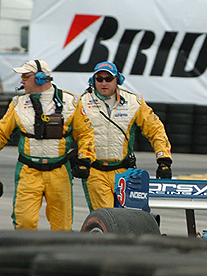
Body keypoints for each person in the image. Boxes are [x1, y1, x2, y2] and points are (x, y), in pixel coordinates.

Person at [0, 59, 96, 231]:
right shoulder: (17, 104)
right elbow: (1, 134)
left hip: (59, 172)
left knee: (62, 227)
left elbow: (85, 133)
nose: (21, 81)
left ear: (40, 78)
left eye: (25, 76)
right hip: (28, 172)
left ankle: (58, 257)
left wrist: (85, 158)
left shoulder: (71, 103)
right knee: (24, 222)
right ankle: (26, 258)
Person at [79, 61, 172, 212]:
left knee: (129, 218)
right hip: (95, 172)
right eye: (99, 79)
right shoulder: (81, 103)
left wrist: (164, 159)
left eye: (108, 79)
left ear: (118, 80)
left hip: (124, 171)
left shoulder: (134, 102)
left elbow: (155, 129)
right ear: (93, 81)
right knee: (108, 219)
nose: (103, 83)